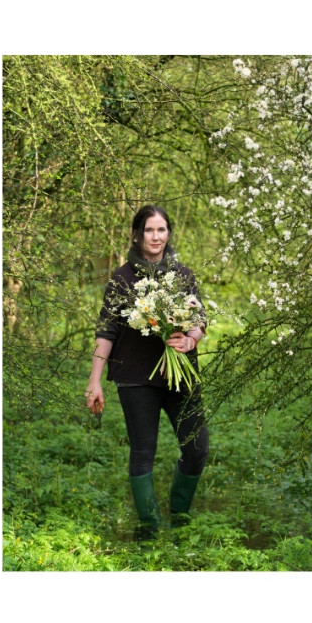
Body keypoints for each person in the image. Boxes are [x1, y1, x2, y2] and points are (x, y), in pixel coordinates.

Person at [86, 205, 209, 539]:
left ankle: (179, 516)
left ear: (168, 234)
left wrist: (190, 339)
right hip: (136, 376)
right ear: (137, 234)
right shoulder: (122, 279)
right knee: (143, 452)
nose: (156, 237)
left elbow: (200, 320)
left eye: (162, 230)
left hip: (181, 374)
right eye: (150, 230)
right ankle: (149, 528)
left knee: (198, 447)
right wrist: (94, 381)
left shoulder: (183, 275)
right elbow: (106, 332)